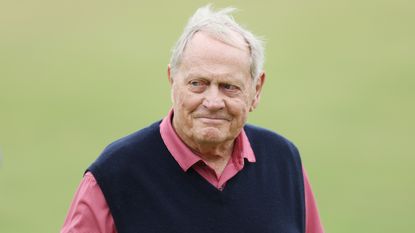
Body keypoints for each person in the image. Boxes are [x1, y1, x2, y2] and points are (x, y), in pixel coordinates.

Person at [61, 5, 324, 233]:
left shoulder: (283, 160)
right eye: (198, 83)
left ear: (256, 90)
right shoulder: (114, 175)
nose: (212, 102)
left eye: (229, 87)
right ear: (172, 82)